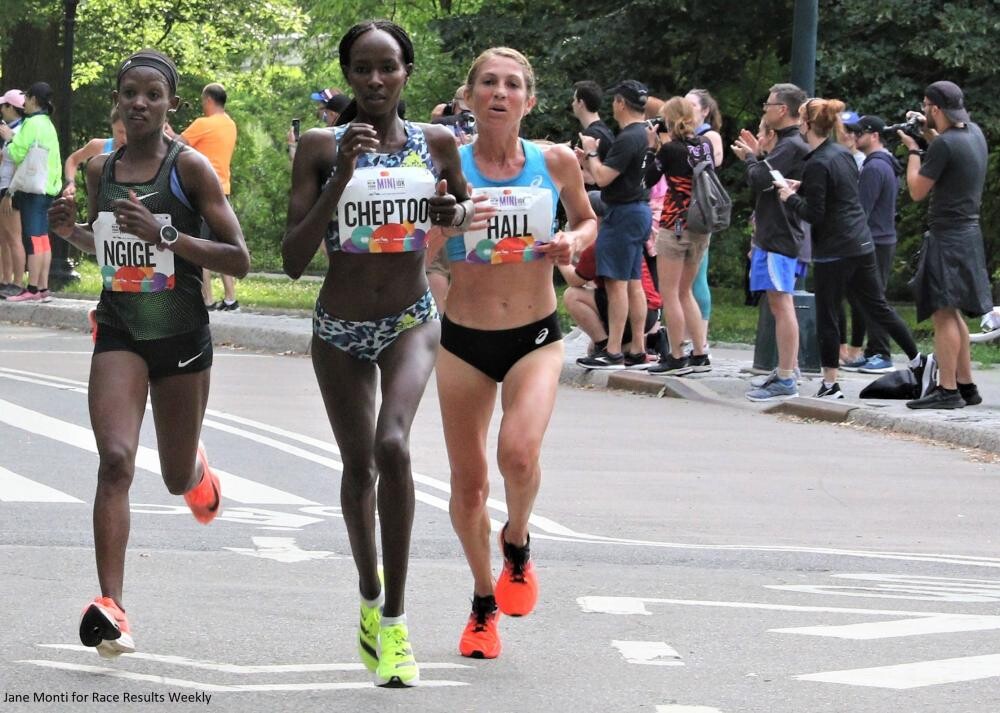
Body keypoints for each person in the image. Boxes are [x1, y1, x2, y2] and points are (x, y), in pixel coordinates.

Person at [282, 20, 471, 687]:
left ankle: (395, 622)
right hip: (339, 325)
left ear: (406, 72)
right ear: (348, 76)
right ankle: (369, 591)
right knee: (359, 467)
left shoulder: (435, 142)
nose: (375, 79)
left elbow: (462, 211)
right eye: (362, 68)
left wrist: (450, 216)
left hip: (409, 319)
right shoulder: (320, 147)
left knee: (394, 445)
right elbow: (292, 258)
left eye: (387, 66)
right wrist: (341, 176)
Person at [46, 49, 250, 659]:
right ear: (117, 99)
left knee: (173, 475)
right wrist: (70, 233)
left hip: (182, 337)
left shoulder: (190, 169)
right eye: (130, 93)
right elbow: (107, 243)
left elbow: (238, 258)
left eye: (152, 95)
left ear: (170, 105)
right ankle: (112, 605)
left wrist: (165, 232)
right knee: (115, 460)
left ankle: (196, 472)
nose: (139, 103)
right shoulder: (100, 170)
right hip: (120, 330)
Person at [438, 47, 596, 660]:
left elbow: (587, 220)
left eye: (511, 85)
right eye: (488, 83)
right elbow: (420, 242)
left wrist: (571, 242)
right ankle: (483, 601)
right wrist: (447, 224)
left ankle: (518, 540)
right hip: (463, 339)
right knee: (469, 486)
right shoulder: (446, 165)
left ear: (529, 101)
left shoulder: (554, 161)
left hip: (534, 334)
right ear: (469, 96)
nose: (499, 93)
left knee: (519, 454)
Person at [775, 98, 923, 399]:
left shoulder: (817, 162)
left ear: (807, 124)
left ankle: (830, 384)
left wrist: (789, 198)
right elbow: (839, 193)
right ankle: (919, 360)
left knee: (828, 315)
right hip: (861, 242)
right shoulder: (842, 153)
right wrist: (803, 188)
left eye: (801, 120)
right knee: (878, 306)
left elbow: (815, 214)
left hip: (834, 249)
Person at [899, 81, 991, 409]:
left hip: (947, 236)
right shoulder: (974, 134)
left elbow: (916, 190)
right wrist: (928, 133)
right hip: (968, 232)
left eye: (926, 105)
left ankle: (947, 390)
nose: (924, 110)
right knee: (953, 311)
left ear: (935, 108)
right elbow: (947, 151)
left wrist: (913, 149)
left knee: (942, 313)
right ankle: (966, 386)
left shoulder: (945, 145)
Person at [732, 83, 810, 401]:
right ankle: (786, 369)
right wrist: (759, 157)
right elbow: (768, 175)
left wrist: (751, 158)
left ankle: (787, 377)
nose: (764, 109)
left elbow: (760, 179)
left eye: (768, 105)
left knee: (781, 302)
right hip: (774, 234)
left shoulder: (791, 144)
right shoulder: (789, 144)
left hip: (780, 235)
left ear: (782, 109)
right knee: (777, 303)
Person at [575, 80, 651, 369]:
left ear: (620, 103)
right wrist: (588, 162)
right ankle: (638, 348)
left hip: (622, 213)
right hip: (639, 210)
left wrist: (591, 152)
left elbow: (603, 178)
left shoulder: (628, 137)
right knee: (633, 282)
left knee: (615, 284)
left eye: (614, 101)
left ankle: (614, 350)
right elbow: (610, 175)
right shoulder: (643, 134)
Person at [644, 96, 714, 376]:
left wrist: (652, 148)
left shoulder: (670, 150)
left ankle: (675, 355)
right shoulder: (704, 145)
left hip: (674, 224)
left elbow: (647, 179)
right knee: (686, 291)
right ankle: (700, 352)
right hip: (700, 225)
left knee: (669, 293)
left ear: (669, 120)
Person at [166, 82, 240, 311]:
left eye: (202, 100)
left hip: (203, 191)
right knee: (223, 246)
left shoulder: (203, 124)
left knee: (200, 247)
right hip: (223, 190)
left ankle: (206, 299)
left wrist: (166, 132)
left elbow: (176, 146)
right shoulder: (230, 124)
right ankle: (231, 299)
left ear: (208, 100)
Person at [839, 115, 901, 374]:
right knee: (865, 297)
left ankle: (881, 353)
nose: (855, 136)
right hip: (880, 238)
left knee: (873, 298)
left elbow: (861, 210)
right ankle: (874, 350)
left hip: (874, 240)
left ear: (874, 135)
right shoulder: (882, 163)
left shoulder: (874, 167)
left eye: (860, 132)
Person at [1, 82, 62, 303]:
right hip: (48, 188)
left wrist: (9, 138)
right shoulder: (47, 124)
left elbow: (16, 154)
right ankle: (43, 288)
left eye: (26, 97)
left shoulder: (31, 123)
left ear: (34, 99)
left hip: (33, 189)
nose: (24, 102)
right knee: (42, 238)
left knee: (34, 239)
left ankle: (33, 289)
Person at [558, 241, 661, 363]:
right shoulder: (630, 240)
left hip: (631, 313)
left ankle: (606, 348)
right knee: (591, 350)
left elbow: (574, 280)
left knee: (572, 295)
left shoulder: (602, 244)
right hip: (650, 314)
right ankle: (642, 345)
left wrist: (559, 257)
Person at [685, 88, 723, 351]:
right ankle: (686, 335)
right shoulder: (684, 136)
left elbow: (711, 164)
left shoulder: (710, 136)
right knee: (682, 279)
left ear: (705, 110)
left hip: (699, 210)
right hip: (682, 209)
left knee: (697, 274)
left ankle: (701, 336)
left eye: (692, 106)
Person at [63, 107, 127, 199]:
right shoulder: (98, 146)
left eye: (129, 132)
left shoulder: (144, 152)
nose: (124, 138)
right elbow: (73, 160)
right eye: (120, 132)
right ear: (112, 126)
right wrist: (70, 183)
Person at [0, 89, 26, 298]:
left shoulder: (19, 131)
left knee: (14, 237)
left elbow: (21, 160)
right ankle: (5, 279)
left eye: (3, 106)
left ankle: (18, 282)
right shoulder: (9, 130)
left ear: (11, 107)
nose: (1, 110)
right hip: (3, 187)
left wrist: (11, 192)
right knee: (3, 237)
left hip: (11, 188)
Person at [571, 80, 614, 193]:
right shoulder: (605, 131)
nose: (572, 104)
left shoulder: (589, 137)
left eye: (574, 100)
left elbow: (591, 178)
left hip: (593, 198)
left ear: (581, 103)